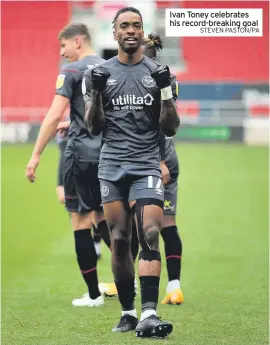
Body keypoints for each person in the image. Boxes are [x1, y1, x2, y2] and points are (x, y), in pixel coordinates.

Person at [84, 6, 180, 338]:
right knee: (120, 240)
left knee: (150, 233)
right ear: (114, 33)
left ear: (142, 32)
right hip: (111, 168)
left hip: (146, 166)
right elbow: (94, 128)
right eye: (123, 25)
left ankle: (149, 314)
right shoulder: (99, 73)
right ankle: (127, 313)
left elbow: (170, 128)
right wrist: (96, 91)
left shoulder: (159, 72)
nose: (130, 30)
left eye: (136, 26)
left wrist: (165, 90)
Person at [25, 23, 111, 307]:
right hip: (109, 156)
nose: (62, 53)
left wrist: (36, 155)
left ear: (77, 41)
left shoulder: (71, 72)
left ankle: (94, 295)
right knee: (106, 218)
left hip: (81, 158)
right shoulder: (109, 67)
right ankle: (130, 282)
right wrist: (72, 122)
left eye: (63, 46)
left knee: (80, 222)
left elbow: (52, 115)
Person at [141, 33, 184, 305]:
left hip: (158, 162)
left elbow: (161, 124)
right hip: (159, 159)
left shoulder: (154, 81)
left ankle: (142, 292)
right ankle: (174, 288)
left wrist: (158, 161)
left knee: (146, 226)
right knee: (165, 224)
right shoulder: (168, 78)